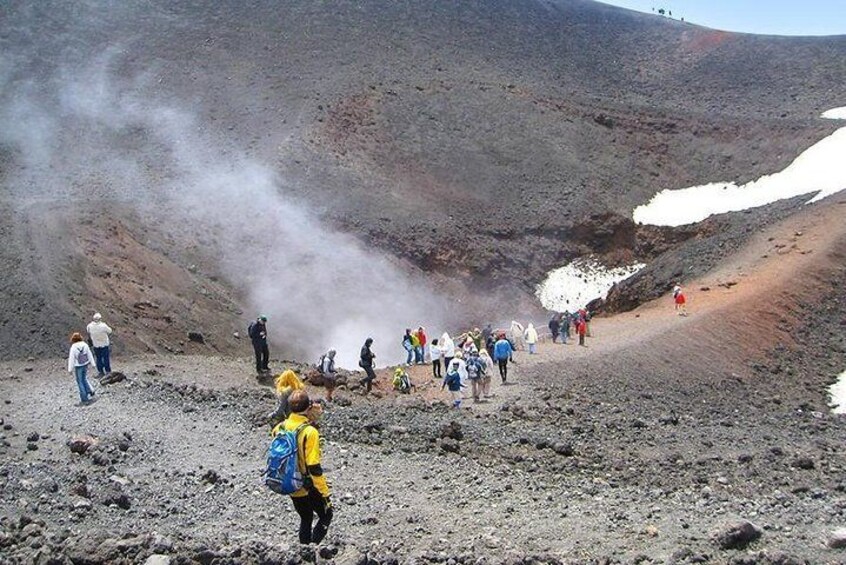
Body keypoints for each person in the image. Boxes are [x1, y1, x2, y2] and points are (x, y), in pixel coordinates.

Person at [272, 390, 332, 545]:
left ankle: (303, 551)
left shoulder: (279, 427)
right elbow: (314, 467)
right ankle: (312, 547)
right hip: (307, 485)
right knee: (326, 515)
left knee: (305, 517)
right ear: (308, 407)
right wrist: (324, 491)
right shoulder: (309, 432)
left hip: (289, 481)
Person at [67, 332, 96, 404]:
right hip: (85, 364)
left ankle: (84, 398)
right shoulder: (85, 345)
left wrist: (70, 369)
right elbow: (89, 354)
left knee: (80, 381)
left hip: (78, 366)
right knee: (84, 378)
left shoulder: (73, 347)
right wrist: (93, 364)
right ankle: (89, 390)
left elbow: (71, 359)